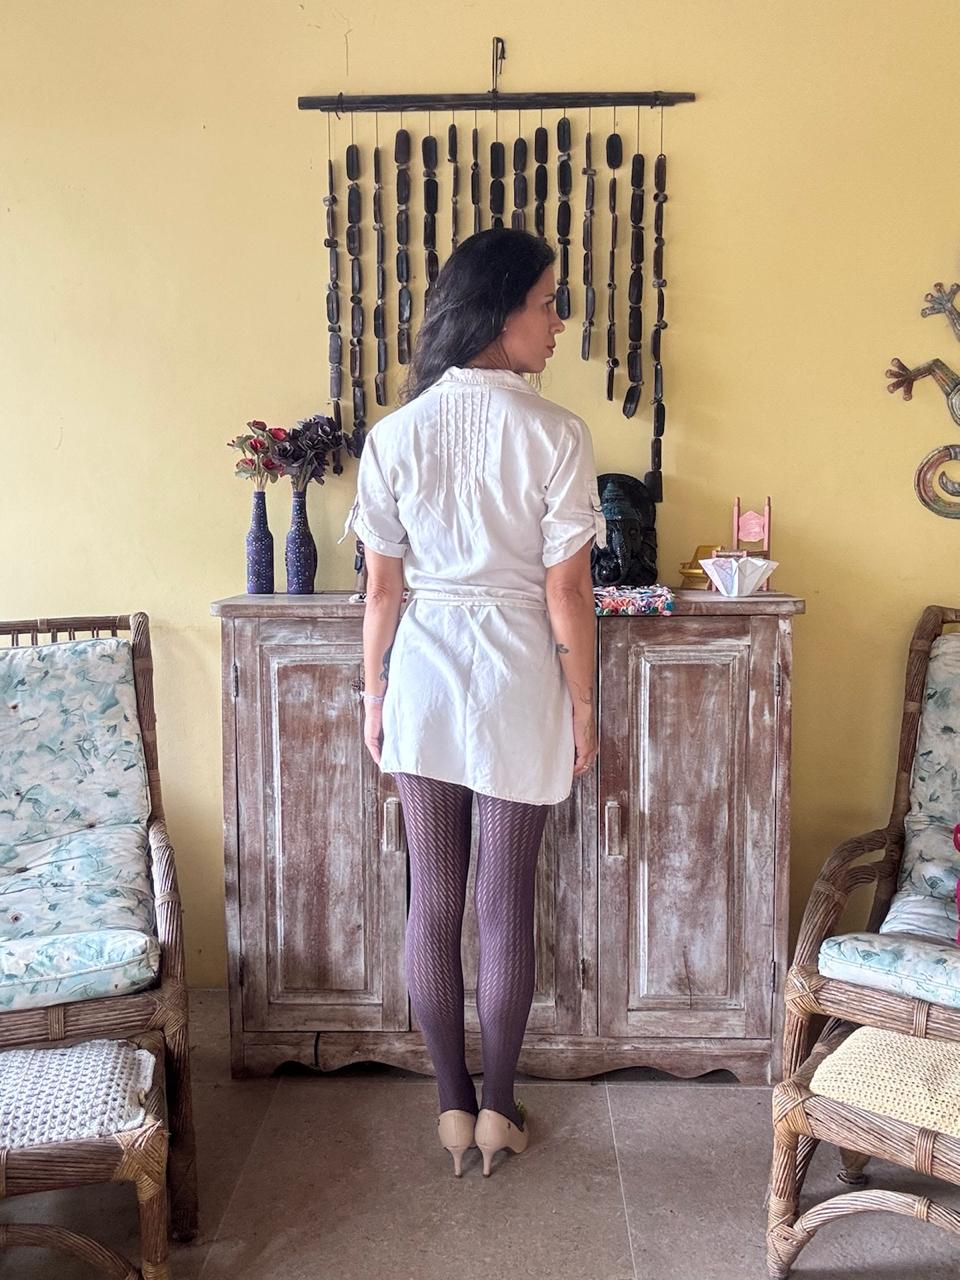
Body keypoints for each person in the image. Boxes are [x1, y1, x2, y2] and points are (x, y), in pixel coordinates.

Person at [338, 227, 607, 1177]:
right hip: (516, 677)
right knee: (503, 902)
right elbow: (567, 592)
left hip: (422, 673)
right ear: (500, 311)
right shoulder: (558, 434)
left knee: (435, 896)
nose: (559, 322)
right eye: (548, 303)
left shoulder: (394, 434)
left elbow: (380, 593)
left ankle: (451, 1107)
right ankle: (499, 1111)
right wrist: (584, 707)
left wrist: (374, 697)